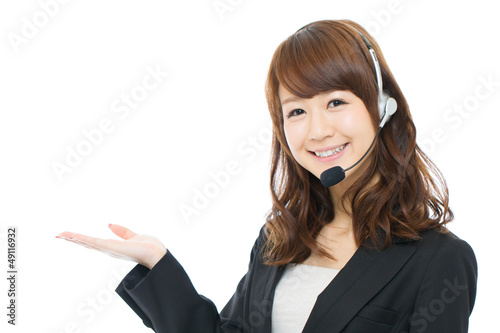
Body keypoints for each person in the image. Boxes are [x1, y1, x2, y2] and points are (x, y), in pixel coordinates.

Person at [57, 19, 478, 332]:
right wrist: (158, 264)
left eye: (335, 102)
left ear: (381, 107)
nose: (317, 130)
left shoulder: (439, 260)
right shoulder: (280, 238)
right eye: (296, 111)